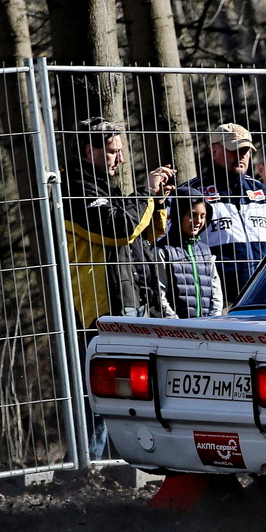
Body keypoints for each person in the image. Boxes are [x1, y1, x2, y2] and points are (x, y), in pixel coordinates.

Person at [62, 118, 175, 459]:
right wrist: (145, 193)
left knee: (127, 394)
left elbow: (146, 233)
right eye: (113, 152)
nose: (121, 159)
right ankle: (85, 468)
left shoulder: (104, 188)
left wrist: (157, 202)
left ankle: (117, 463)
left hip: (128, 299)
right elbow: (120, 229)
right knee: (102, 397)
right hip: (100, 306)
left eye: (122, 151)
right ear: (89, 151)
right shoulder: (75, 189)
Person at [182, 123, 266, 304]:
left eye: (246, 150)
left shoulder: (261, 192)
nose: (241, 156)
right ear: (214, 151)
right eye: (234, 150)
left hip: (261, 296)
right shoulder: (192, 193)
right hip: (215, 300)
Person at [155, 189, 224, 319]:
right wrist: (175, 322)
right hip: (176, 327)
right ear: (178, 215)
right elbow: (159, 293)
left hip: (206, 325)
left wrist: (214, 318)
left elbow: (216, 291)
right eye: (192, 215)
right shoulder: (163, 251)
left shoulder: (205, 251)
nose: (198, 221)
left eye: (202, 216)